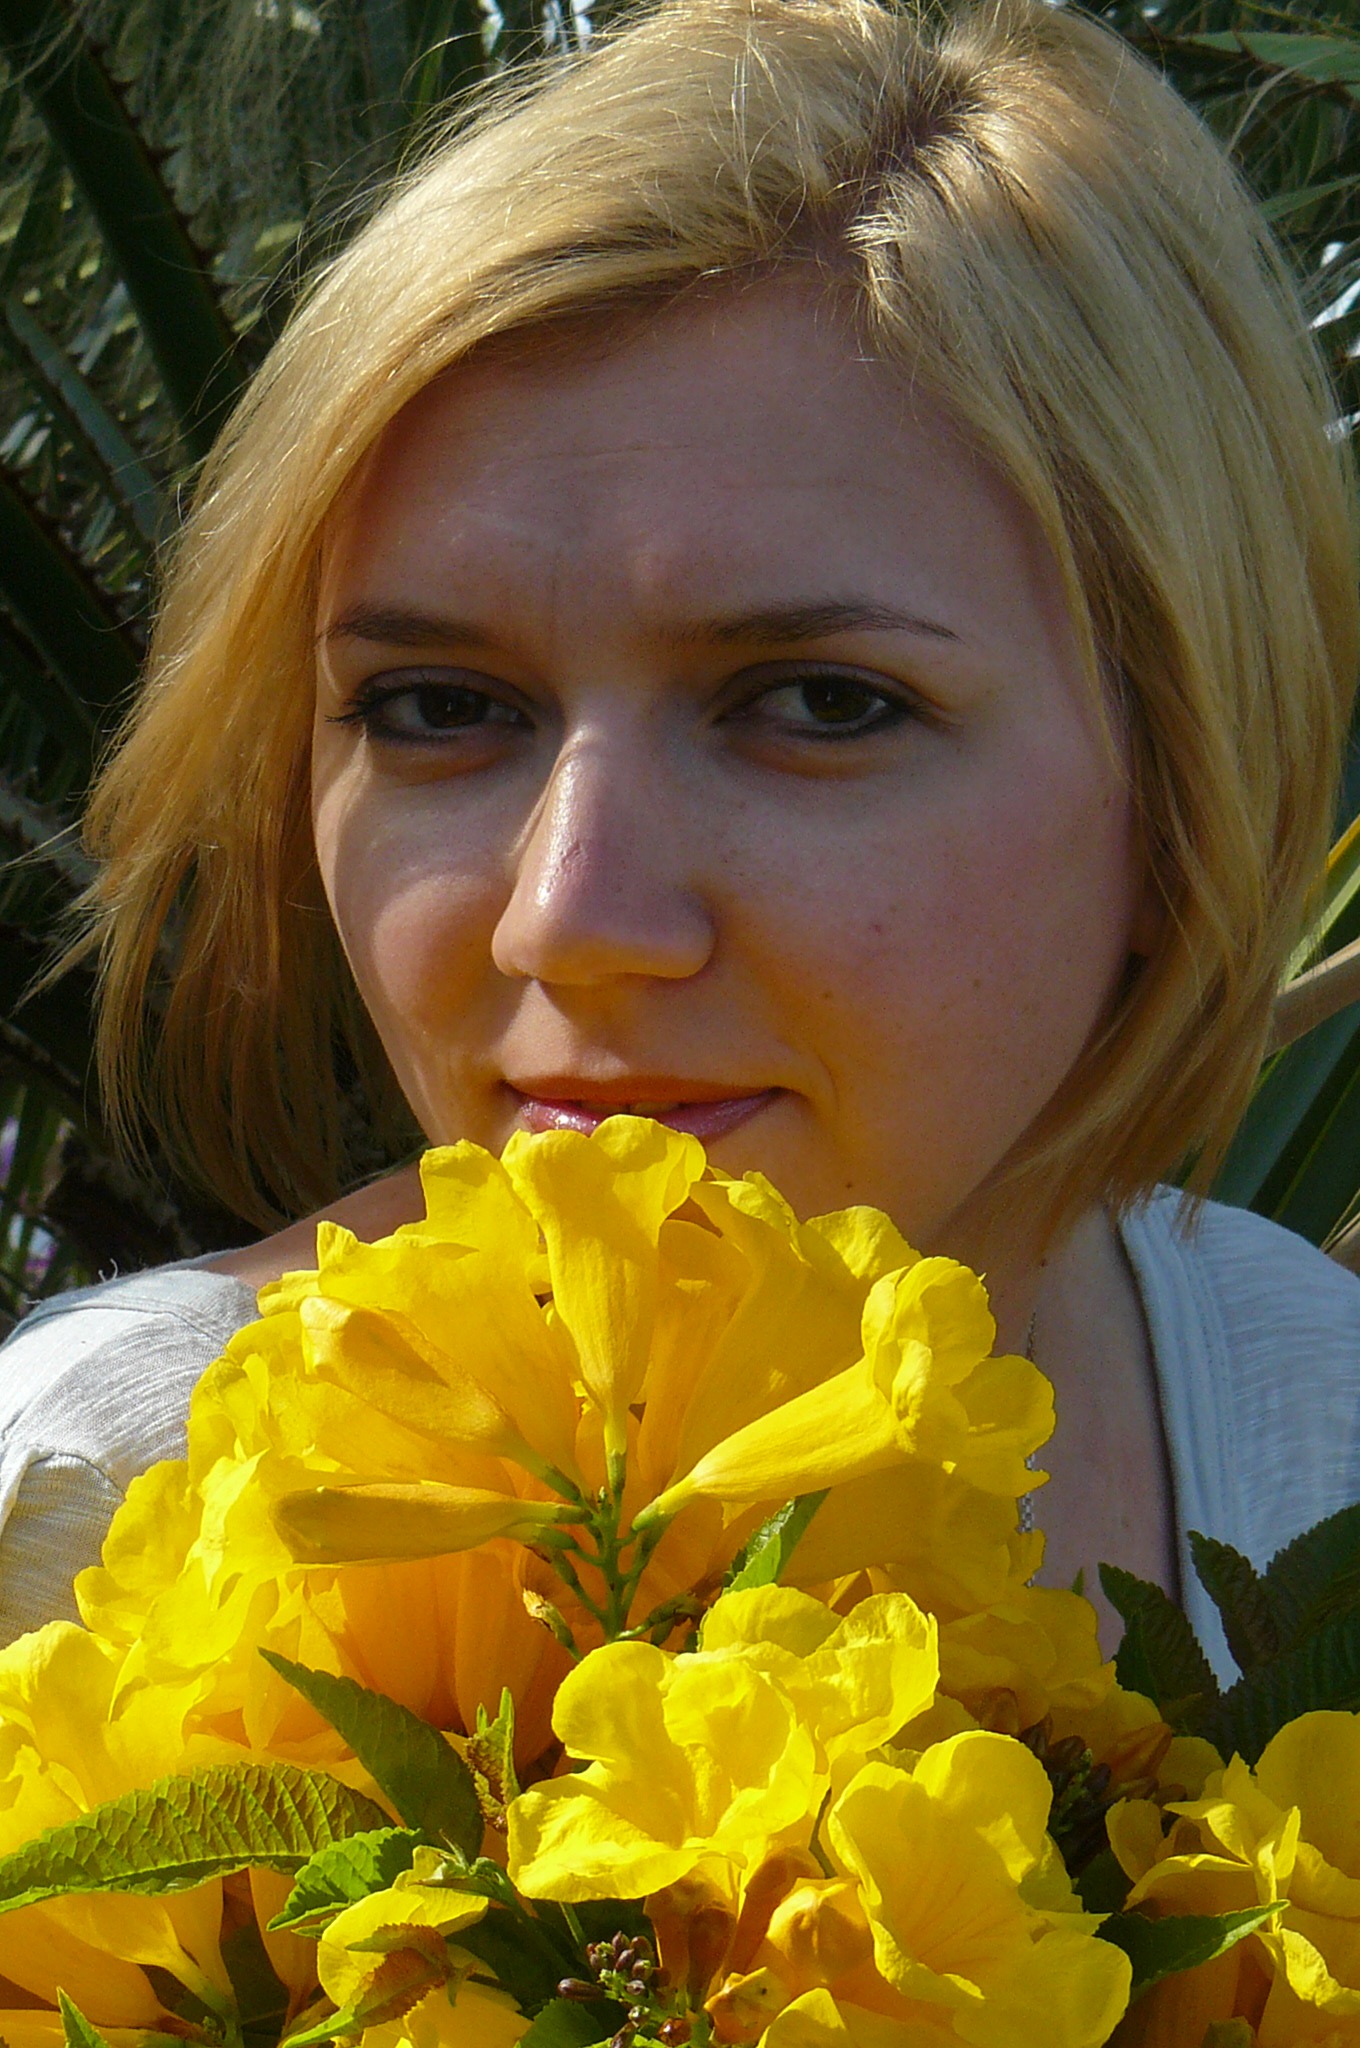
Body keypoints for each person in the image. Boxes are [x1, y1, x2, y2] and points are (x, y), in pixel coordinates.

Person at [1, 0, 1356, 1673]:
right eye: (437, 705)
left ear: (1185, 784)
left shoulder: (1319, 1428)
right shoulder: (87, 1514)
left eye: (821, 705)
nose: (566, 917)